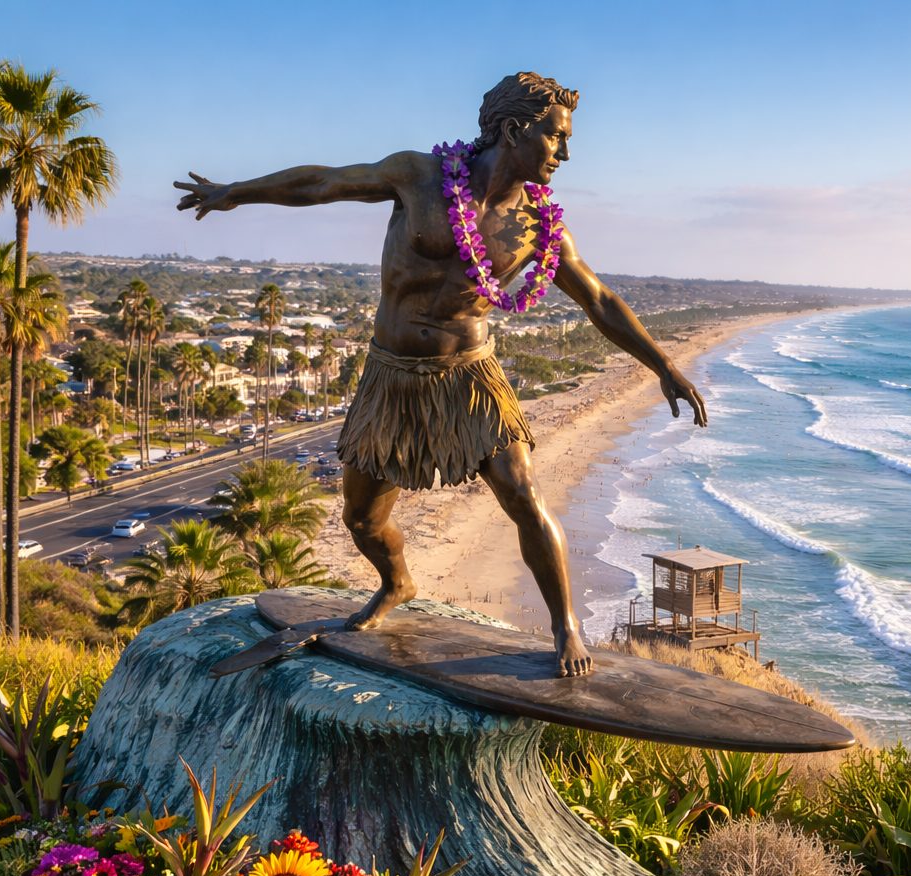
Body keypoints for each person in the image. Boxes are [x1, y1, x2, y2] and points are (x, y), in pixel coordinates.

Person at [174, 72, 707, 677]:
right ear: (514, 129)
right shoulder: (418, 176)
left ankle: (567, 627)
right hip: (391, 376)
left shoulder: (539, 227)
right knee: (362, 520)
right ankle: (397, 582)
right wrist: (235, 192)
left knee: (524, 495)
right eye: (556, 137)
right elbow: (324, 182)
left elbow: (600, 301)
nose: (566, 153)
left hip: (470, 377)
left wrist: (663, 364)